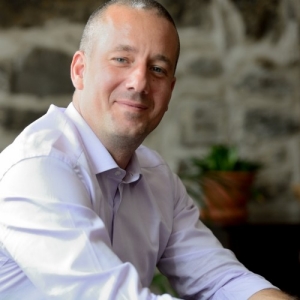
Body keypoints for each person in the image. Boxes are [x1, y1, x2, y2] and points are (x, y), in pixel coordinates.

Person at [0, 0, 297, 299]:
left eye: (157, 68)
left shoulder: (158, 179)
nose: (140, 83)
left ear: (170, 89)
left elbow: (221, 280)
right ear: (80, 70)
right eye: (121, 59)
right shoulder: (38, 167)